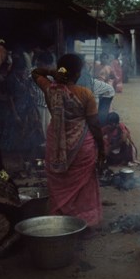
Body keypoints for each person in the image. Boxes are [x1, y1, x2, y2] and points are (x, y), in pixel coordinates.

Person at [31, 53, 104, 227]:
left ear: (60, 70)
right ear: (78, 73)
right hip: (82, 146)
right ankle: (84, 221)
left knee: (59, 183)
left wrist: (52, 72)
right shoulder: (85, 94)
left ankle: (61, 220)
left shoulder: (49, 88)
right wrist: (101, 148)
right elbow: (94, 125)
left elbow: (35, 73)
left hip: (56, 144)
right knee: (84, 185)